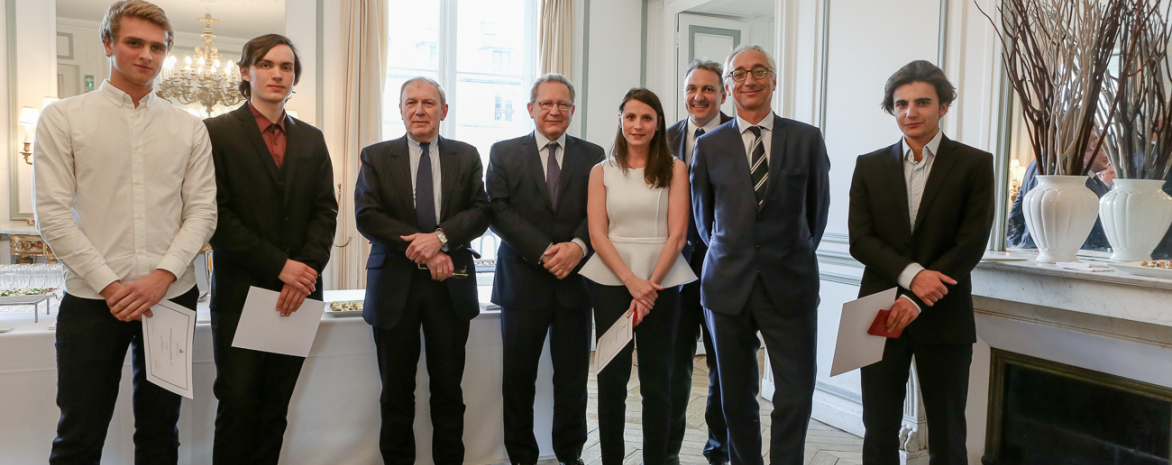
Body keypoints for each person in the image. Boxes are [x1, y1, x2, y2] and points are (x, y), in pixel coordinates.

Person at [32, 1, 217, 463]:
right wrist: (111, 286)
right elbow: (52, 215)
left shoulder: (189, 128)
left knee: (161, 432)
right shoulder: (63, 117)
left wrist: (162, 277)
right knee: (79, 434)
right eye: (134, 43)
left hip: (170, 297)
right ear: (108, 43)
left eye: (158, 47)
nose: (147, 55)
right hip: (92, 300)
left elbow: (202, 213)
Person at [847, 60, 994, 465]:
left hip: (945, 310)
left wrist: (917, 297)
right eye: (901, 104)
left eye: (922, 102)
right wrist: (913, 278)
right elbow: (860, 240)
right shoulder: (869, 165)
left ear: (943, 106)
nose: (910, 112)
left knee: (948, 430)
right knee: (878, 425)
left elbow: (971, 243)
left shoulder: (975, 164)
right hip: (878, 308)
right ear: (892, 109)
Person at [690, 45, 831, 465]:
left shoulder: (806, 138)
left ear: (773, 79)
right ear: (729, 87)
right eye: (739, 74)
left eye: (758, 71)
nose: (748, 80)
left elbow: (817, 213)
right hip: (727, 286)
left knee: (795, 393)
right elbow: (704, 220)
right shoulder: (709, 145)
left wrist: (787, 255)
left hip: (791, 284)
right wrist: (734, 252)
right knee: (735, 396)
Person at [204, 34, 338, 465]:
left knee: (275, 409)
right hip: (241, 294)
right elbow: (216, 216)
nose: (277, 74)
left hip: (298, 296)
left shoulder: (312, 139)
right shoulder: (215, 133)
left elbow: (325, 212)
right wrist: (281, 266)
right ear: (246, 72)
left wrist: (305, 272)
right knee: (238, 404)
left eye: (286, 66)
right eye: (266, 64)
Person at [354, 76, 490, 465]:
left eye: (428, 103)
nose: (419, 110)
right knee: (396, 394)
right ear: (400, 110)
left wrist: (441, 238)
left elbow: (481, 212)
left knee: (448, 392)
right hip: (393, 287)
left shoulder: (466, 155)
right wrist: (428, 250)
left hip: (450, 286)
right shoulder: (376, 156)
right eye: (411, 103)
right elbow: (368, 216)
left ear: (443, 111)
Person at [487, 74, 604, 465]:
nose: (555, 110)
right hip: (522, 283)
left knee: (572, 380)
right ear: (531, 108)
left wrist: (577, 247)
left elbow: (600, 210)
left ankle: (570, 454)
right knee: (518, 380)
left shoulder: (593, 154)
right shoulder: (504, 152)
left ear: (573, 109)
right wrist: (544, 252)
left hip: (575, 284)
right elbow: (497, 210)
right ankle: (522, 457)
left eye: (562, 104)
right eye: (546, 103)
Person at [577, 87, 694, 465]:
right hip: (612, 282)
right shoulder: (601, 171)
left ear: (658, 123)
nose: (637, 125)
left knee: (658, 383)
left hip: (663, 282)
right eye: (630, 117)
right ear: (620, 120)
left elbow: (677, 235)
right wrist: (632, 283)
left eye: (646, 117)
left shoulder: (676, 169)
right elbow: (598, 234)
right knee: (610, 382)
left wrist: (649, 287)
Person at [664, 58, 733, 465]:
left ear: (723, 94)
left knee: (725, 366)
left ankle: (719, 451)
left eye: (708, 89)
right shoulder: (662, 138)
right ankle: (667, 452)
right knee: (674, 365)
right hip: (673, 270)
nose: (699, 96)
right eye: (692, 88)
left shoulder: (739, 137)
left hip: (724, 270)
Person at [1007, 135, 1113, 251]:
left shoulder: (1095, 182)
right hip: (1051, 250)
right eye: (1101, 149)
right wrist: (1019, 246)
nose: (1107, 155)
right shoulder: (1055, 167)